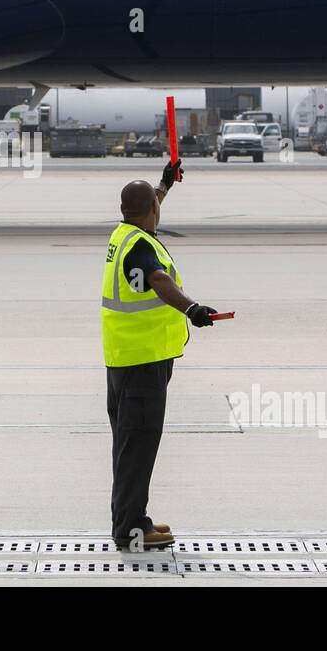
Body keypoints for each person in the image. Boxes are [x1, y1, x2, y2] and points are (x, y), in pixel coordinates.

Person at [101, 159, 217, 551]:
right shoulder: (141, 247)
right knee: (138, 448)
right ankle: (131, 531)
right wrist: (192, 309)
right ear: (152, 210)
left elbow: (146, 207)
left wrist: (164, 184)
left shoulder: (124, 233)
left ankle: (134, 520)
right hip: (143, 365)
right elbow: (159, 279)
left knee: (129, 447)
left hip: (123, 360)